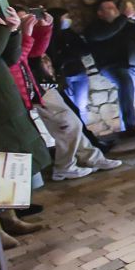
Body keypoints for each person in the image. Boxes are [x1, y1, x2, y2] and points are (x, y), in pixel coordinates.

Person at [0, 0, 51, 246]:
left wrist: (13, 30)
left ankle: (10, 218)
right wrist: (0, 27)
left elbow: (9, 58)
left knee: (4, 165)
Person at [30, 51, 122, 181]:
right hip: (37, 86)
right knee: (67, 126)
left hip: (42, 84)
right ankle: (63, 167)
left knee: (74, 124)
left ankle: (91, 158)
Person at [85, 0, 135, 137]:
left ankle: (125, 126)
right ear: (100, 13)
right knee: (125, 85)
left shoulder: (126, 24)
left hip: (132, 64)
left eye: (114, 7)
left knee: (129, 95)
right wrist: (124, 17)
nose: (113, 10)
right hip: (112, 65)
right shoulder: (94, 28)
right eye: (108, 8)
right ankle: (130, 127)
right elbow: (106, 33)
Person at [47, 7, 90, 120]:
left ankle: (86, 134)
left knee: (82, 106)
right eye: (65, 17)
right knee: (70, 108)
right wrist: (71, 53)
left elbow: (85, 49)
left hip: (79, 72)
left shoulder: (70, 33)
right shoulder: (50, 37)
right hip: (64, 76)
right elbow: (55, 58)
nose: (68, 20)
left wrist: (66, 54)